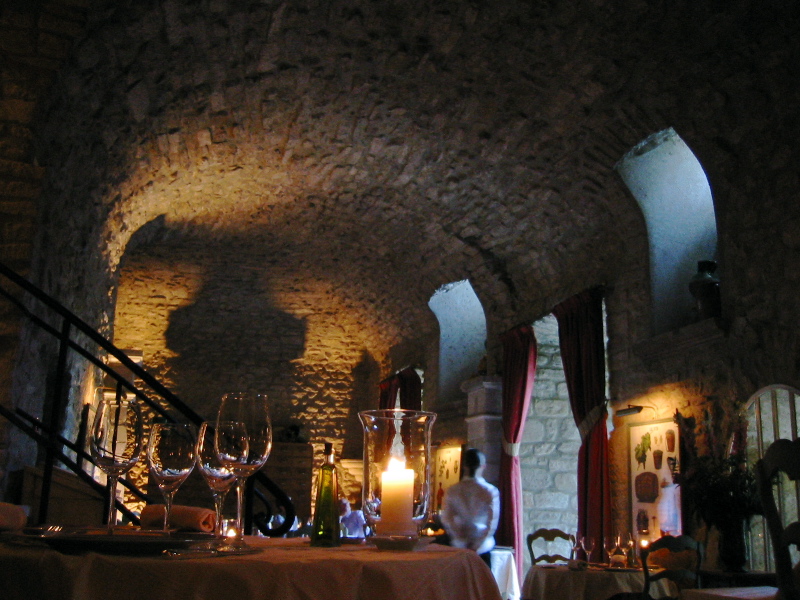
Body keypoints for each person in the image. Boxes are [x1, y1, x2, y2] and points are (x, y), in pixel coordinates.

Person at [440, 448, 500, 567]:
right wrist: (477, 545)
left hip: (459, 546)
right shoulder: (489, 491)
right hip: (483, 548)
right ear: (483, 466)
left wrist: (459, 538)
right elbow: (491, 523)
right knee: (483, 579)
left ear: (464, 466)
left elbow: (447, 518)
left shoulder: (452, 490)